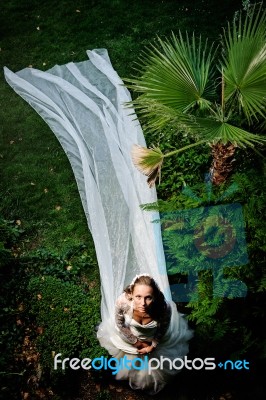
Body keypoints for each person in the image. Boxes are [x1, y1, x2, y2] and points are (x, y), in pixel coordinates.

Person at [97, 274, 192, 394]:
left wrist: (152, 346)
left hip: (152, 339)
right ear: (131, 293)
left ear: (155, 296)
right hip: (132, 337)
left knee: (155, 369)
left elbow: (163, 329)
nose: (143, 303)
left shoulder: (164, 307)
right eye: (138, 297)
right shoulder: (122, 302)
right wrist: (136, 342)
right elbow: (120, 324)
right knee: (130, 365)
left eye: (148, 298)